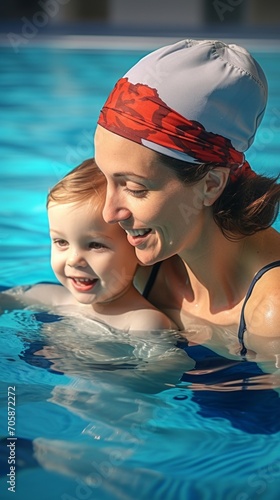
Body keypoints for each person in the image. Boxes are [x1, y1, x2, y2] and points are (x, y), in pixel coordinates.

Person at [94, 39, 280, 357]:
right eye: (106, 179)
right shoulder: (135, 263)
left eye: (136, 189)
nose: (108, 214)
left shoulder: (270, 316)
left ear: (210, 185)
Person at [0, 159, 175, 331]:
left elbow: (169, 361)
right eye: (61, 242)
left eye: (95, 245)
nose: (73, 260)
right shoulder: (50, 298)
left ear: (140, 249)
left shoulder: (144, 323)